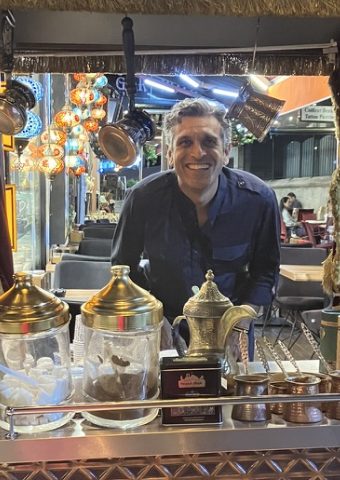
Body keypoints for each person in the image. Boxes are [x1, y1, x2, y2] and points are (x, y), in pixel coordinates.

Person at [112, 97, 280, 323]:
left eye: (209, 142)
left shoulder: (258, 200)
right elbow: (123, 271)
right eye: (185, 142)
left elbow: (265, 272)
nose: (198, 153)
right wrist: (152, 318)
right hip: (162, 322)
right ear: (170, 154)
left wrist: (240, 321)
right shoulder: (142, 199)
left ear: (226, 151)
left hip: (231, 323)